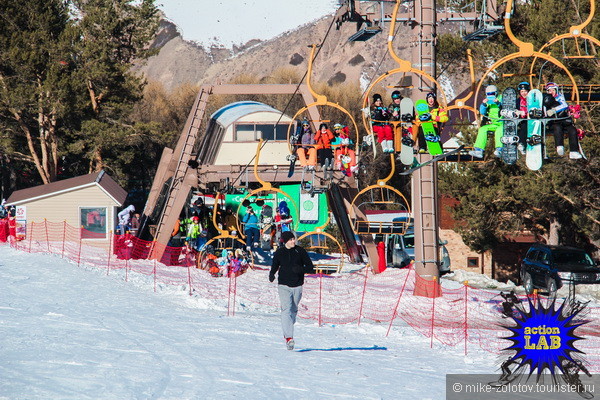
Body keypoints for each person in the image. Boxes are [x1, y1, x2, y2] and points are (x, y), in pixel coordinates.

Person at [269, 231, 315, 350]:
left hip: (298, 285)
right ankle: (289, 338)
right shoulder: (280, 252)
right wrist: (272, 274)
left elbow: (310, 266)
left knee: (293, 310)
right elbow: (274, 265)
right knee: (286, 309)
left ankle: (288, 327)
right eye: (290, 240)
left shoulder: (300, 251)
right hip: (283, 285)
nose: (293, 241)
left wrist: (300, 270)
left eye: (293, 239)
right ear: (285, 241)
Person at [543, 82, 582, 159]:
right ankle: (559, 146)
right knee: (557, 128)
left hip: (563, 119)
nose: (551, 92)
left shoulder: (560, 97)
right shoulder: (546, 99)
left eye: (553, 90)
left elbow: (564, 105)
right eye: (549, 91)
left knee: (573, 130)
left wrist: (554, 110)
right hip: (554, 121)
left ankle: (574, 151)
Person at [469, 85, 503, 158]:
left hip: (504, 122)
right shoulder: (488, 101)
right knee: (482, 129)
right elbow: (482, 112)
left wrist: (498, 103)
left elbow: (506, 107)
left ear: (496, 93)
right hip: (495, 123)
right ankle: (479, 150)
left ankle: (500, 149)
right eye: (488, 94)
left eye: (492, 94)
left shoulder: (501, 98)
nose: (490, 96)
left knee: (499, 131)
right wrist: (484, 105)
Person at [515, 82, 530, 155]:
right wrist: (518, 112)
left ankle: (523, 144)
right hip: (522, 120)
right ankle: (521, 144)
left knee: (526, 127)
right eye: (522, 91)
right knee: (523, 127)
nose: (524, 93)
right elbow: (514, 109)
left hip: (531, 119)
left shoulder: (531, 99)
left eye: (525, 91)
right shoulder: (518, 101)